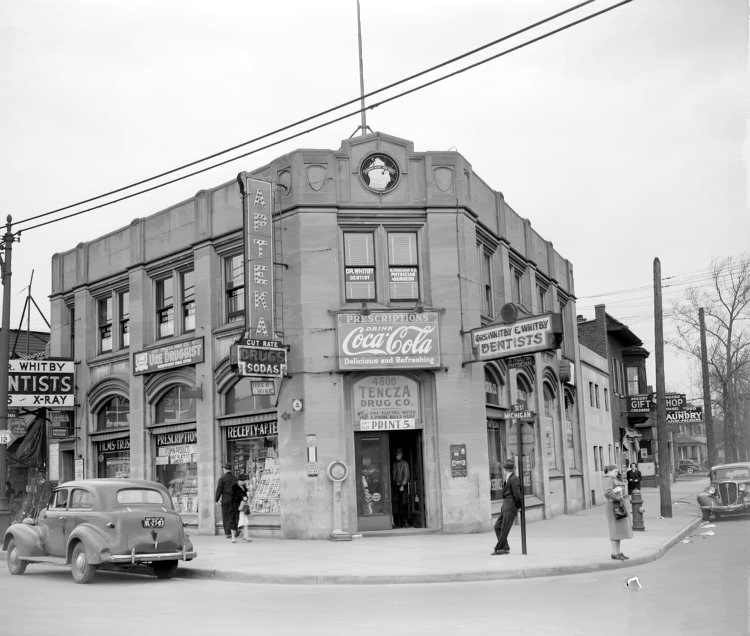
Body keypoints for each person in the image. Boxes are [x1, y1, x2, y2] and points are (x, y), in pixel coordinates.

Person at [492, 459, 523, 556]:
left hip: (510, 507)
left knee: (505, 529)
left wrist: (519, 507)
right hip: (506, 507)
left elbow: (517, 495)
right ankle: (505, 547)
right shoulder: (509, 478)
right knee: (497, 526)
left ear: (504, 469)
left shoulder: (514, 479)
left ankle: (499, 548)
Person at [603, 464, 633, 560]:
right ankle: (614, 552)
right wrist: (617, 498)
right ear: (609, 471)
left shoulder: (614, 479)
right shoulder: (608, 479)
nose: (617, 473)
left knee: (619, 530)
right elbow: (607, 492)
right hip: (614, 507)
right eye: (615, 471)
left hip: (617, 506)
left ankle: (618, 552)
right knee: (614, 530)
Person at [214, 463, 238, 539]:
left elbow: (219, 490)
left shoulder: (222, 478)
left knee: (226, 515)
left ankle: (228, 533)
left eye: (223, 469)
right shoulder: (235, 478)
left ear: (225, 469)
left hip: (226, 498)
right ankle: (234, 531)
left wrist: (216, 499)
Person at [391, 448, 410, 528]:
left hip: (402, 486)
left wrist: (402, 485)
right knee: (396, 504)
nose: (397, 456)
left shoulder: (405, 464)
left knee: (403, 503)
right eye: (396, 455)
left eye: (398, 455)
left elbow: (406, 475)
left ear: (401, 455)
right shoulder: (394, 464)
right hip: (395, 485)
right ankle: (397, 522)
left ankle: (404, 522)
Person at [233, 473, 252, 543]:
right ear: (238, 481)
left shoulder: (244, 487)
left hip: (244, 506)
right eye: (242, 481)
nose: (243, 482)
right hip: (238, 507)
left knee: (245, 521)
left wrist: (247, 495)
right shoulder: (235, 487)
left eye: (244, 481)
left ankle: (246, 536)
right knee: (241, 522)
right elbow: (235, 497)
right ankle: (234, 537)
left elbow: (246, 494)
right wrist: (243, 498)